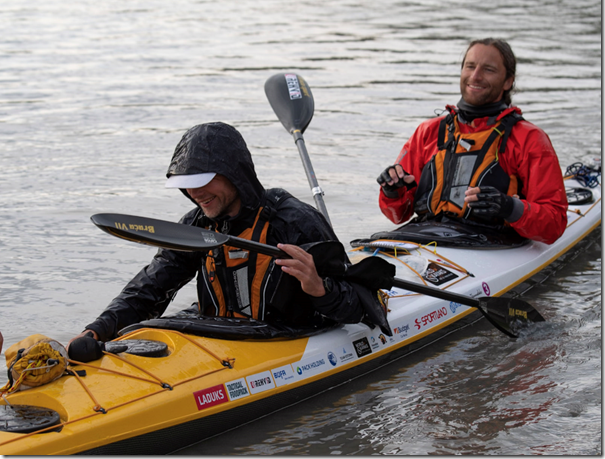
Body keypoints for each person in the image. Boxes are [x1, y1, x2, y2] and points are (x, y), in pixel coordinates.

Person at [70, 122, 385, 348]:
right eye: (187, 184)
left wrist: (320, 289)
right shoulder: (196, 226)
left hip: (288, 337)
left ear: (235, 173)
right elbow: (152, 286)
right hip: (220, 334)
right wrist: (99, 328)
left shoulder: (296, 222)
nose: (195, 192)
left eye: (204, 180)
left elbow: (363, 306)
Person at [377, 38, 567, 245]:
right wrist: (392, 190)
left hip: (493, 245)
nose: (476, 76)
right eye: (470, 66)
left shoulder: (529, 138)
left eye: (488, 69)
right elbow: (398, 215)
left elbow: (554, 224)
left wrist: (510, 208)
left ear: (508, 81)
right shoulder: (428, 131)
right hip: (425, 234)